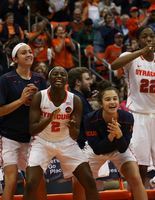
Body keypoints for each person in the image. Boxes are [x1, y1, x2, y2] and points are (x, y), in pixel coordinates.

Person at [111, 25, 155, 200]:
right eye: (145, 36)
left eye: (152, 36)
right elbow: (114, 65)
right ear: (137, 40)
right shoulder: (131, 58)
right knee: (140, 167)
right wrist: (141, 51)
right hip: (138, 117)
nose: (150, 39)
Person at [24, 66, 101, 200]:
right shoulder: (39, 96)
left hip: (66, 142)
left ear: (66, 80)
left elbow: (75, 135)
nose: (59, 76)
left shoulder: (74, 100)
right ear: (49, 78)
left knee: (89, 180)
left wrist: (71, 127)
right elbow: (32, 130)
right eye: (55, 74)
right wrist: (49, 119)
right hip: (42, 142)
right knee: (30, 183)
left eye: (62, 74)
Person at [73, 80, 148, 200]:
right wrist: (111, 136)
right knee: (78, 181)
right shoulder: (90, 119)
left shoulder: (127, 117)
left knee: (135, 178)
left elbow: (123, 148)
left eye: (115, 98)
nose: (112, 102)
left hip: (119, 150)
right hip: (95, 151)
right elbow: (97, 149)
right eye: (108, 99)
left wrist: (119, 135)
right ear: (100, 104)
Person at [0, 43, 47, 200]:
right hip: (8, 137)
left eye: (30, 52)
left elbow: (45, 109)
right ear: (15, 59)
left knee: (38, 181)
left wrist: (39, 98)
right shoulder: (6, 79)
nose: (29, 54)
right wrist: (22, 100)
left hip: (31, 138)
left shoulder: (40, 79)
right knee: (11, 181)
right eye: (24, 53)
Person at [68, 67, 93, 149]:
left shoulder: (75, 96)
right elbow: (90, 121)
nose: (90, 82)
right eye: (87, 79)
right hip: (80, 144)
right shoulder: (78, 99)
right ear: (78, 82)